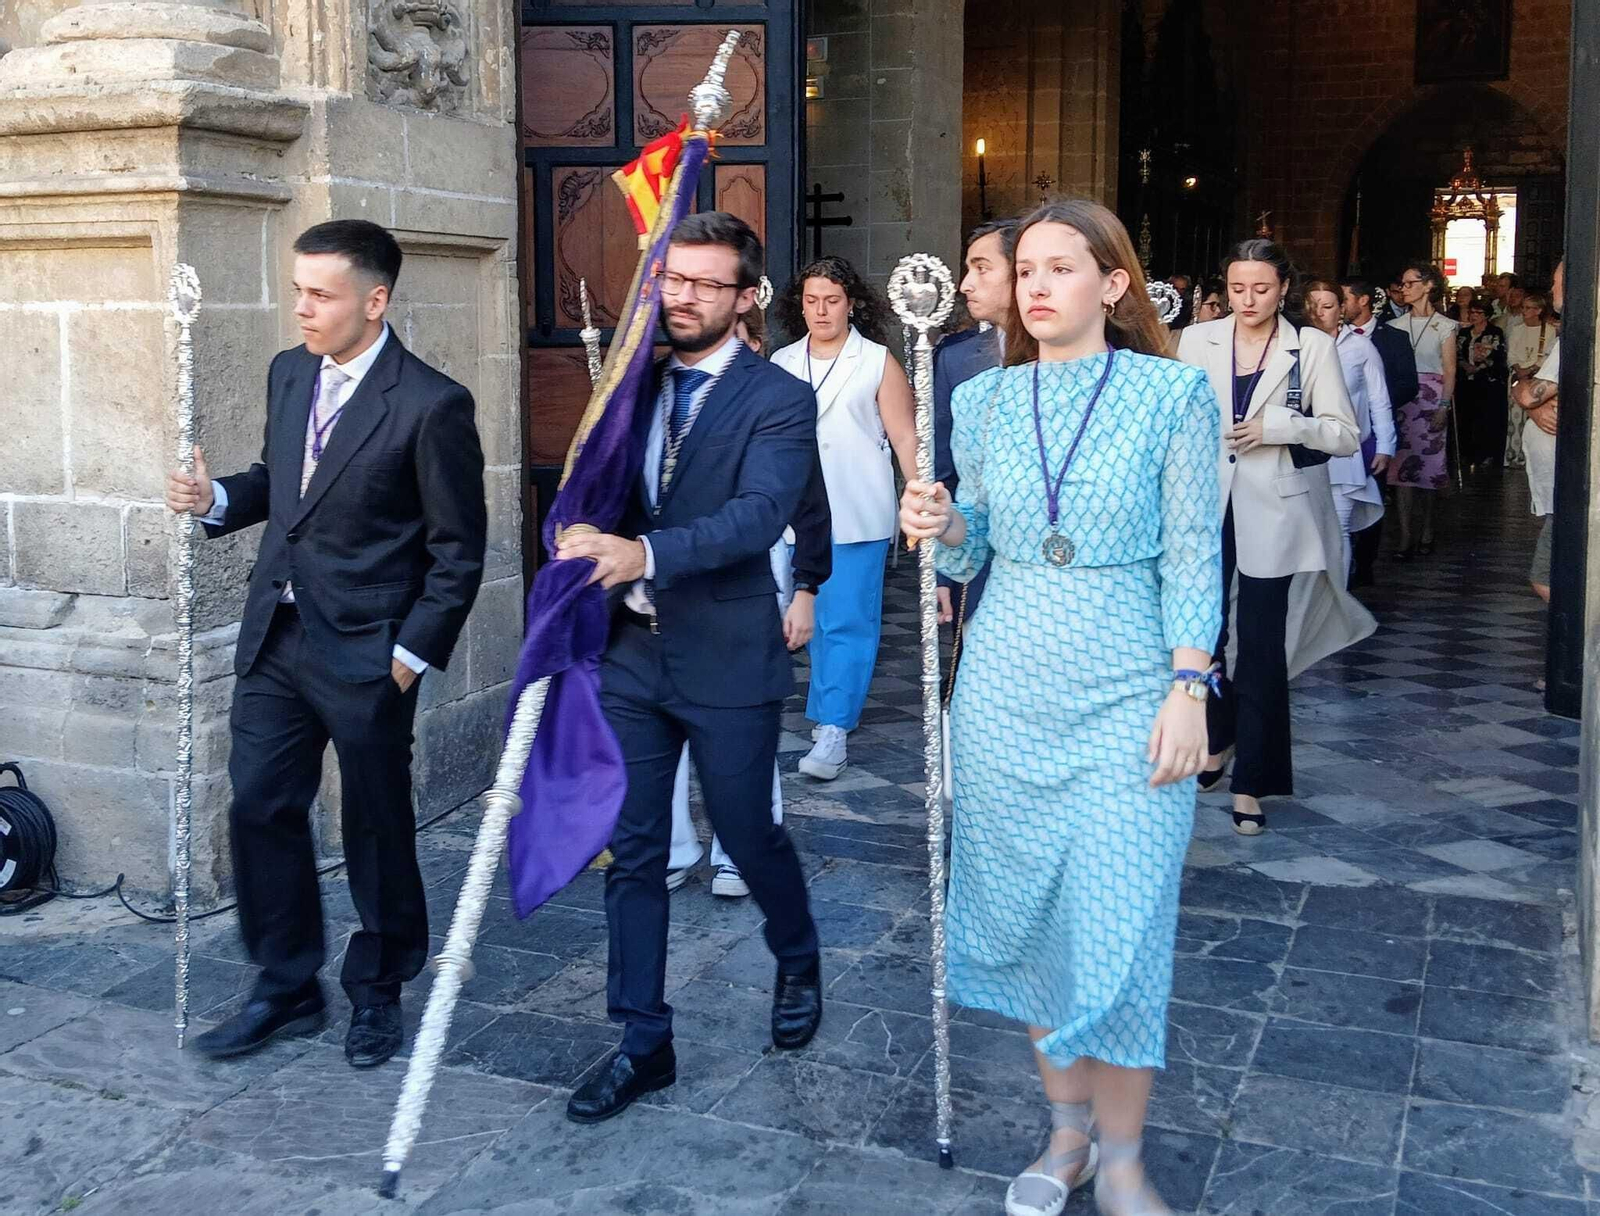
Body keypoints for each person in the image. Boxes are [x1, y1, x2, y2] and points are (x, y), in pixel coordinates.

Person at [901, 197, 1220, 1216]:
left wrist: (1189, 685)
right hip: (1003, 686)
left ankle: (1124, 1154)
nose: (1035, 286)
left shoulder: (1173, 395)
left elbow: (1193, 551)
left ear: (1113, 284)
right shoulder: (982, 401)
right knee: (1038, 919)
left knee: (1119, 923)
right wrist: (943, 518)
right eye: (1020, 269)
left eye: (1060, 268)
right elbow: (972, 550)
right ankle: (1067, 1135)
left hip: (1130, 684)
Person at [163, 220, 487, 1067]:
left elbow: (458, 550)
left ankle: (378, 987)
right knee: (260, 805)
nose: (300, 308)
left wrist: (410, 655)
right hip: (278, 634)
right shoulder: (289, 373)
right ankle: (286, 985)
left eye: (319, 294)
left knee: (376, 824)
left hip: (371, 651)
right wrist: (215, 499)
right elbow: (286, 482)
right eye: (297, 289)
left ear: (373, 302)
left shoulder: (432, 403)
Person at [556, 212, 824, 1124]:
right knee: (633, 854)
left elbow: (756, 518)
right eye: (674, 278)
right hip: (631, 657)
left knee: (748, 835)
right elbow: (597, 488)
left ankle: (796, 954)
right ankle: (642, 1041)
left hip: (727, 656)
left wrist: (646, 553)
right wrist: (580, 532)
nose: (684, 297)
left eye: (709, 284)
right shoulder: (631, 383)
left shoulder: (779, 398)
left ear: (746, 297)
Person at [1179, 240, 1367, 836]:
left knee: (1259, 646)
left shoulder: (1310, 346)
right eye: (1237, 289)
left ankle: (1253, 781)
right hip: (1202, 505)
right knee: (1202, 634)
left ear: (1284, 288)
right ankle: (1217, 738)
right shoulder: (1195, 340)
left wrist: (1278, 427)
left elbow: (1343, 434)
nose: (1248, 300)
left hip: (1274, 510)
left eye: (1261, 288)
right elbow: (1176, 422)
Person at [666, 308, 832, 897]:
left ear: (755, 347)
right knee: (670, 717)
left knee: (741, 721)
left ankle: (741, 848)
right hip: (677, 587)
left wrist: (807, 590)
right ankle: (675, 843)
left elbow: (811, 508)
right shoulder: (673, 414)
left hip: (755, 582)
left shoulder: (778, 413)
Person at [772, 258, 917, 781]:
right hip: (792, 514)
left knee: (847, 621)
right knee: (802, 619)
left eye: (831, 300)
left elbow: (904, 437)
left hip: (857, 507)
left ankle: (833, 731)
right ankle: (813, 712)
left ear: (851, 302)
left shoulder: (876, 361)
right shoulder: (783, 360)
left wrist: (915, 500)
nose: (821, 310)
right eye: (811, 300)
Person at [933, 218, 1015, 626]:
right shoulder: (959, 359)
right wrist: (942, 570)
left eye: (982, 268)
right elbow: (946, 469)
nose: (966, 284)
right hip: (976, 555)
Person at [1305, 279, 1394, 581]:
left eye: (1327, 306)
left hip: (1345, 450)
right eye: (1312, 306)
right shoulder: (1296, 345)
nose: (1319, 313)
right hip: (1304, 447)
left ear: (1342, 308)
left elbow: (1379, 398)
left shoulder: (1360, 347)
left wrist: (1385, 445)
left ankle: (1338, 604)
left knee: (1339, 527)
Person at [1338, 276, 1419, 586]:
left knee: (1372, 494)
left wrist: (1376, 405)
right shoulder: (1325, 339)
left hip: (1374, 431)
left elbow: (1408, 384)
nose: (1340, 305)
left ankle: (1366, 560)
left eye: (1344, 298)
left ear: (1363, 300)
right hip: (1342, 432)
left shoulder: (1393, 338)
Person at [1387, 262, 1458, 558]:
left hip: (1431, 402)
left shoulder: (1445, 326)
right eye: (1401, 284)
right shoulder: (1393, 326)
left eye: (1409, 283)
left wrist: (1444, 405)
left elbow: (1450, 369)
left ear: (1428, 285)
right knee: (1400, 471)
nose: (1404, 289)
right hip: (1403, 401)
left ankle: (1427, 528)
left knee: (1429, 471)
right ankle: (1405, 536)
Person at [1513, 260, 1564, 606]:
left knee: (1547, 580)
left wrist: (1523, 392)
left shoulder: (1581, 330)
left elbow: (1532, 391)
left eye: (1556, 282)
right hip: (1559, 488)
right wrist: (1531, 404)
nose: (1551, 290)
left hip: (1571, 488)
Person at [1456, 299, 1509, 472]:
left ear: (1486, 315)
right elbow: (1457, 353)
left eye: (1477, 313)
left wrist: (1479, 366)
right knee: (1466, 417)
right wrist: (1466, 366)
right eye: (1471, 312)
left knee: (1485, 418)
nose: (1473, 316)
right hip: (1466, 381)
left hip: (1487, 381)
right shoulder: (1464, 332)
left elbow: (1497, 355)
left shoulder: (1495, 332)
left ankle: (1485, 454)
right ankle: (1466, 454)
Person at [1504, 289, 1554, 469]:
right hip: (1519, 375)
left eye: (1528, 308)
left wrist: (1532, 369)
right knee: (1515, 418)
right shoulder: (1518, 329)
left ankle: (1530, 458)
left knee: (1533, 418)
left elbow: (1546, 356)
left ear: (1538, 311)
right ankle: (1513, 456)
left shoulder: (1548, 330)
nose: (1524, 311)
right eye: (1523, 307)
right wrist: (1519, 369)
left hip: (1537, 376)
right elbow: (1512, 354)